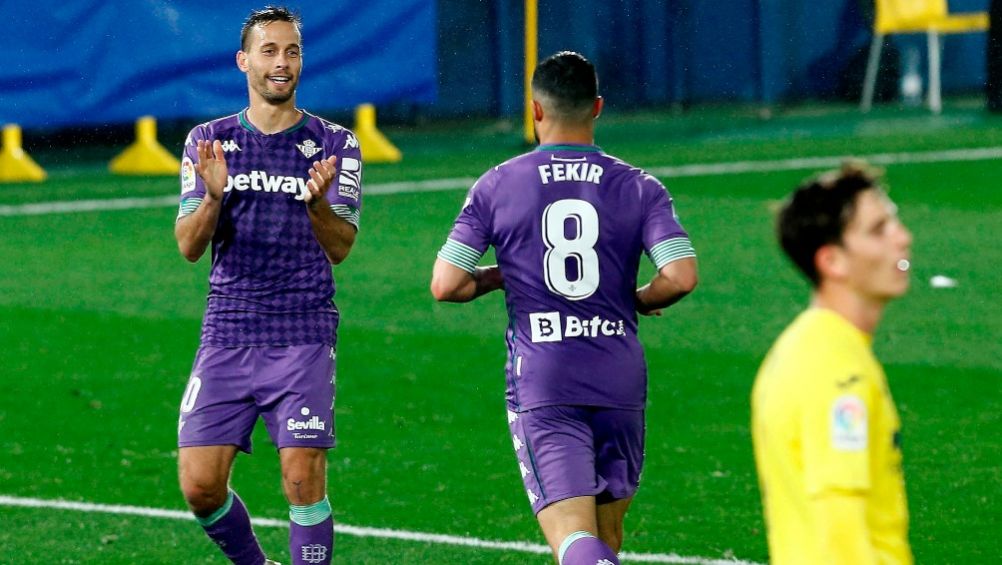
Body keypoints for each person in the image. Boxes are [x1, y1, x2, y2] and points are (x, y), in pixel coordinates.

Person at [430, 51, 698, 565]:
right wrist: (637, 299)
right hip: (619, 374)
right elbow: (680, 275)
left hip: (546, 378)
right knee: (607, 536)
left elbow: (447, 284)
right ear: (596, 107)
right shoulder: (640, 186)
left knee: (574, 540)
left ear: (535, 110)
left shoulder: (498, 184)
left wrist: (504, 273)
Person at [174, 6, 362, 565]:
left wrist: (317, 204)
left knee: (302, 479)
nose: (282, 63)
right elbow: (188, 246)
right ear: (244, 61)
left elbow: (341, 247)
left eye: (292, 51)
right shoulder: (208, 141)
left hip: (302, 329)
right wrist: (213, 196)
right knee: (199, 485)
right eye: (269, 51)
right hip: (228, 328)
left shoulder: (336, 144)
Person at [751, 162, 914, 564]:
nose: (903, 239)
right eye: (878, 230)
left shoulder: (814, 347)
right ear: (833, 262)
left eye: (894, 223)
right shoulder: (835, 369)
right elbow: (840, 531)